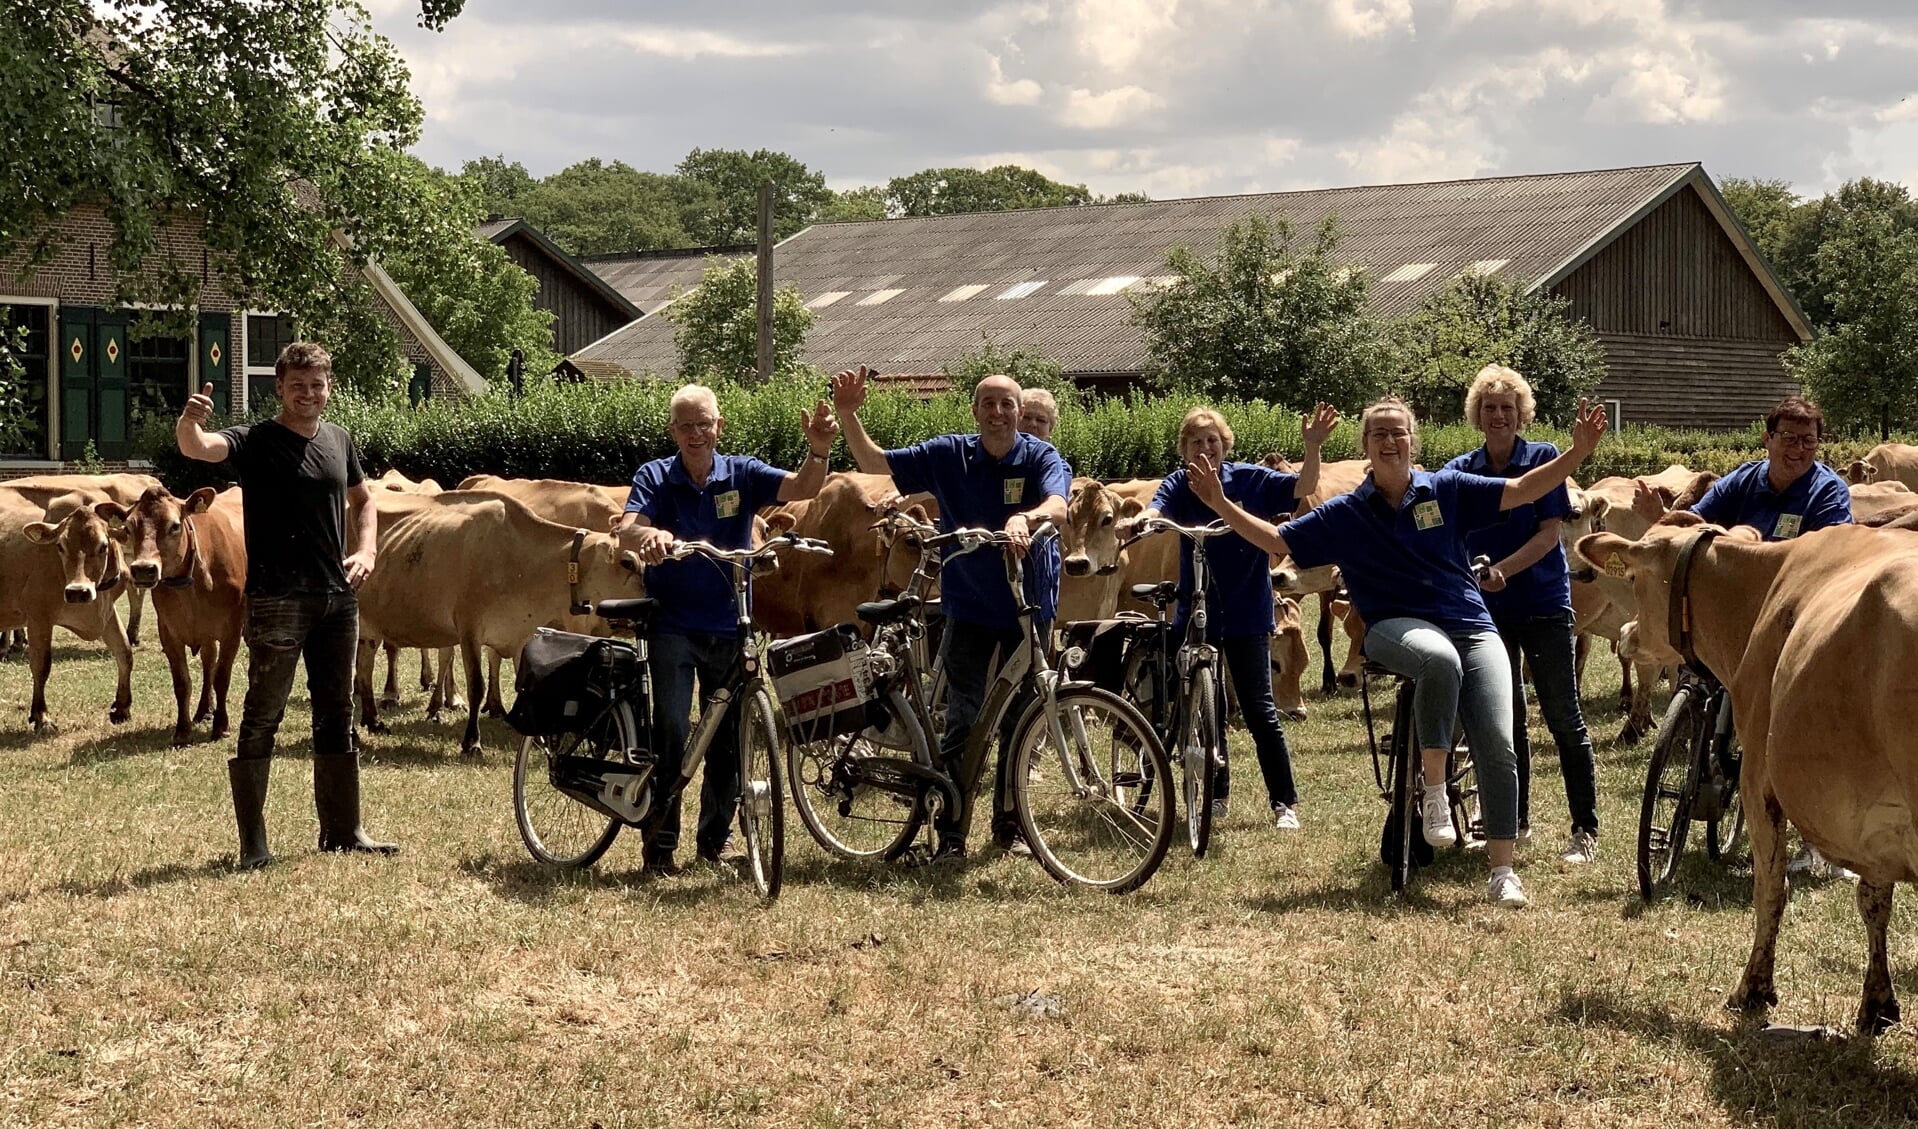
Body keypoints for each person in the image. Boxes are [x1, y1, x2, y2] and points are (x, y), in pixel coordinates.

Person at [1190, 395, 1608, 907]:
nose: (1390, 441)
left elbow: (1523, 489)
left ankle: (1503, 870)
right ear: (1366, 446)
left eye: (1399, 432)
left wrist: (1577, 454)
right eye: (1379, 434)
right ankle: (1434, 795)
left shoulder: (1448, 489)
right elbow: (1278, 541)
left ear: (1414, 441)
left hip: (1471, 623)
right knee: (1438, 659)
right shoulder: (1347, 512)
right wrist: (1219, 504)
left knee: (1498, 741)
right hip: (1392, 627)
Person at [832, 365, 1072, 862]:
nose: (999, 413)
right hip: (970, 606)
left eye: (1008, 405)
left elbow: (1058, 506)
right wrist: (849, 415)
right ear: (975, 411)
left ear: (1020, 412)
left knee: (1022, 719)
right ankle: (952, 833)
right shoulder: (949, 454)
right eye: (989, 403)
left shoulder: (1041, 455)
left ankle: (1013, 828)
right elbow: (875, 463)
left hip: (1030, 606)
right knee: (965, 716)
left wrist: (1025, 518)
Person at [175, 341, 394, 870]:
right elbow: (197, 449)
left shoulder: (340, 441)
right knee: (263, 715)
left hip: (337, 598)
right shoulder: (256, 441)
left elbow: (365, 503)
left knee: (337, 711)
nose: (308, 394)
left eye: (317, 385)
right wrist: (189, 421)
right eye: (297, 385)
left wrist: (365, 549)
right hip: (277, 599)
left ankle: (344, 831)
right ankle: (253, 843)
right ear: (279, 389)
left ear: (329, 388)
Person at [615, 384, 838, 875]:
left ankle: (713, 844)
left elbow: (803, 487)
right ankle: (660, 847)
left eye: (704, 424)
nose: (696, 433)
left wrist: (818, 448)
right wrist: (649, 534)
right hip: (672, 626)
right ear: (673, 430)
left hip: (731, 625)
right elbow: (627, 526)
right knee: (672, 731)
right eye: (686, 425)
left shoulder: (743, 473)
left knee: (729, 739)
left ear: (720, 426)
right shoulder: (655, 476)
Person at [1630, 395, 1853, 878]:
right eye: (1788, 438)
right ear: (1767, 438)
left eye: (1808, 440)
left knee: (1803, 727)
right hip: (1733, 620)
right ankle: (1708, 753)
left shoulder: (1827, 493)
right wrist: (1662, 518)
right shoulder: (1744, 480)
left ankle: (1818, 839)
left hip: (1796, 625)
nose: (1797, 448)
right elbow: (1696, 525)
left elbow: (1836, 557)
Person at [1115, 403, 1337, 829]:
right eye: (1196, 441)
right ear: (1185, 449)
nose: (1205, 447)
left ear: (1225, 444)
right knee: (1204, 706)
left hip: (1245, 611)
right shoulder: (1181, 484)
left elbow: (1302, 485)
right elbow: (1157, 508)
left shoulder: (1248, 480)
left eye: (1212, 440)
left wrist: (1312, 448)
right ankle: (1217, 796)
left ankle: (1283, 802)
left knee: (1258, 710)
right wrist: (1143, 521)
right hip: (1195, 609)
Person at [1443, 366, 1601, 864]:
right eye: (1489, 408)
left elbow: (1549, 531)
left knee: (1562, 716)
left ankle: (1584, 829)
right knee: (1504, 722)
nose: (1498, 416)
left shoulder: (1543, 457)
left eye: (1507, 408)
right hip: (1484, 611)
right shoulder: (1460, 468)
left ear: (1521, 413)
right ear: (1477, 414)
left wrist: (1504, 571)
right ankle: (1516, 821)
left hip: (1542, 603)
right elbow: (1450, 533)